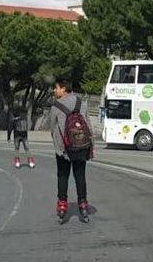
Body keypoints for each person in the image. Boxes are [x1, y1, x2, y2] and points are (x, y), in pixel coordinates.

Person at [50, 79, 93, 223]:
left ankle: (62, 206)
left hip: (63, 149)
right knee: (80, 176)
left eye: (56, 88)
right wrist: (89, 146)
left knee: (63, 176)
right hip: (81, 147)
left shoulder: (56, 106)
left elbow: (52, 128)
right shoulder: (81, 103)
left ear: (63, 89)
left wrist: (58, 147)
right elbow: (88, 125)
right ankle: (83, 205)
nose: (54, 91)